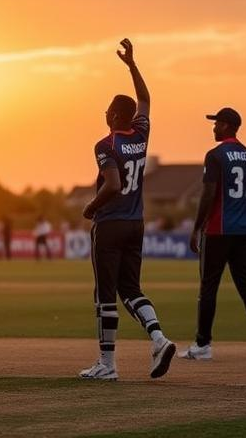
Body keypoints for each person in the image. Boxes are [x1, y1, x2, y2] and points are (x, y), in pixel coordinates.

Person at [80, 39, 175, 381]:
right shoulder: (141, 134)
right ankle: (159, 338)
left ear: (116, 115)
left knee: (105, 295)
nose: (104, 113)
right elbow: (146, 100)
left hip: (111, 223)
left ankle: (107, 365)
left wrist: (90, 207)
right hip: (136, 223)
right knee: (131, 290)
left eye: (108, 110)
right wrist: (132, 66)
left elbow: (113, 184)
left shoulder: (106, 144)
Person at [179, 108, 246, 363]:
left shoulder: (216, 155)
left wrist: (197, 227)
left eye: (217, 123)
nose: (213, 128)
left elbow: (208, 194)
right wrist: (239, 205)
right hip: (244, 230)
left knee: (209, 285)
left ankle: (203, 345)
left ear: (227, 125)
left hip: (219, 230)